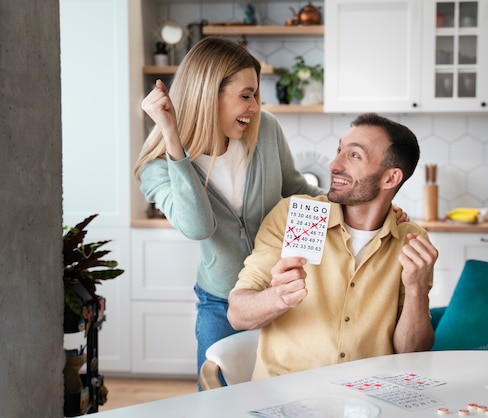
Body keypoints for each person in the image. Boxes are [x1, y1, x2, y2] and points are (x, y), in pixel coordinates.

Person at [133, 37, 326, 386]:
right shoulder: (157, 167)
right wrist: (174, 141)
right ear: (209, 94)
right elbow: (198, 227)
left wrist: (364, 206)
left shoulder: (264, 130)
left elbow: (299, 193)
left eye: (256, 96)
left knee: (292, 397)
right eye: (246, 95)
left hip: (283, 294)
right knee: (219, 402)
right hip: (221, 304)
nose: (254, 107)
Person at [227, 113, 439, 379]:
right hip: (285, 396)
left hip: (367, 398)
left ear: (390, 178)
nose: (334, 164)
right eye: (339, 150)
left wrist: (416, 289)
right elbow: (237, 314)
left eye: (354, 156)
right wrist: (277, 297)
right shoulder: (295, 216)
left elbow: (412, 352)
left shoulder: (411, 243)